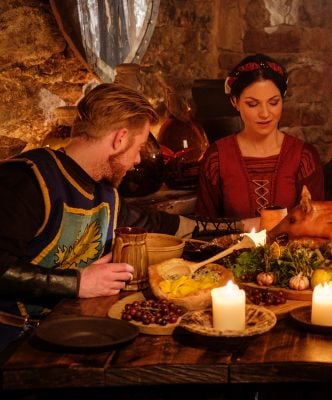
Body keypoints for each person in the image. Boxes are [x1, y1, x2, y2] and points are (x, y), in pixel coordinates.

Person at [0, 83, 259, 351]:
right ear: (119, 139)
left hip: (68, 337)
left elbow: (167, 226)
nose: (137, 160)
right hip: (12, 347)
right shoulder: (26, 180)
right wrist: (78, 283)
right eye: (138, 147)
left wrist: (245, 225)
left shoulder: (105, 194)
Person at [196, 54, 325, 219]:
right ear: (234, 102)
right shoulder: (216, 159)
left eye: (273, 103)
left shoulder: (304, 158)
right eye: (252, 104)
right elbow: (204, 227)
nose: (265, 114)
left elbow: (316, 223)